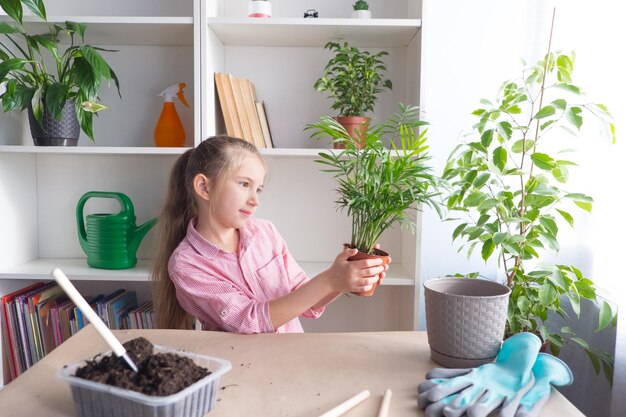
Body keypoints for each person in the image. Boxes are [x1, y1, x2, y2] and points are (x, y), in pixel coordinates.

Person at [152, 136, 388, 333]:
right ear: (204, 187)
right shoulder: (187, 264)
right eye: (244, 184)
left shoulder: (265, 233)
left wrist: (343, 279)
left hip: (291, 360)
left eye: (258, 189)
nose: (255, 200)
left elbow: (306, 302)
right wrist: (330, 280)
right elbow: (249, 320)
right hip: (243, 370)